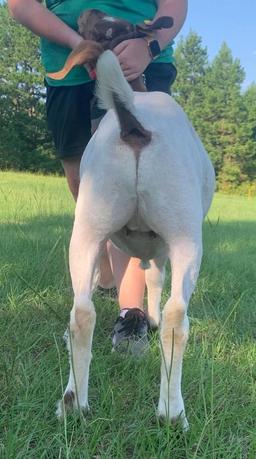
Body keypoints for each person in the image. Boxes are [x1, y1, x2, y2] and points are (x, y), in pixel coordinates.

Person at [8, 0, 188, 353]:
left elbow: (175, 3)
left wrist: (149, 46)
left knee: (134, 190)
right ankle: (106, 276)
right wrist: (78, 44)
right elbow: (21, 5)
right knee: (86, 192)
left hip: (142, 62)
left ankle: (131, 312)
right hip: (70, 67)